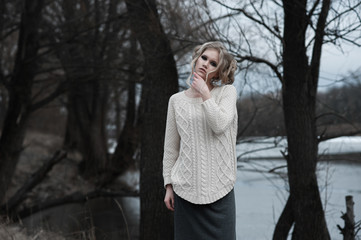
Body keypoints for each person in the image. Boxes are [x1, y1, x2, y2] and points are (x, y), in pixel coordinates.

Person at [163, 41, 238, 240]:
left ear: (218, 71)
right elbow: (171, 149)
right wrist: (168, 186)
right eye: (204, 58)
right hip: (185, 192)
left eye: (213, 63)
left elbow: (220, 124)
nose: (206, 64)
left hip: (220, 191)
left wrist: (205, 93)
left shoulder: (227, 93)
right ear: (197, 58)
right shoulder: (176, 101)